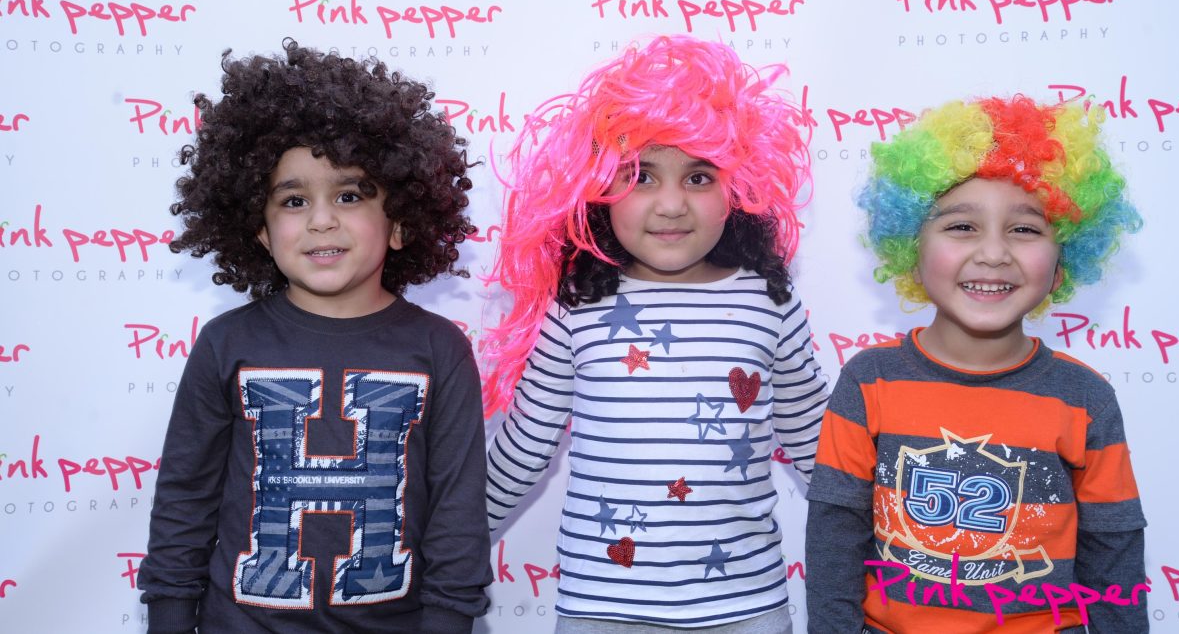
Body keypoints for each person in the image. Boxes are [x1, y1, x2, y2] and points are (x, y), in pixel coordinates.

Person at [137, 39, 491, 633]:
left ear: (401, 221)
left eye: (349, 195)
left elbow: (456, 516)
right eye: (294, 200)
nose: (321, 219)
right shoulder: (226, 345)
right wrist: (169, 615)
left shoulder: (440, 351)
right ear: (259, 230)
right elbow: (184, 501)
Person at [482, 35, 828, 632]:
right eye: (640, 176)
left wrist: (905, 531)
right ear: (596, 189)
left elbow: (819, 444)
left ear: (739, 189)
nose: (671, 205)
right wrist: (442, 547)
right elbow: (524, 448)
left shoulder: (768, 300)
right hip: (600, 611)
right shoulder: (579, 302)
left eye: (699, 177)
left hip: (745, 609)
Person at [806, 96, 1147, 632]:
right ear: (910, 247)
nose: (993, 254)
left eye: (1026, 229)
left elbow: (1115, 555)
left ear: (1063, 261)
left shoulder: (1085, 398)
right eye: (962, 227)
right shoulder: (869, 381)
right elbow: (834, 538)